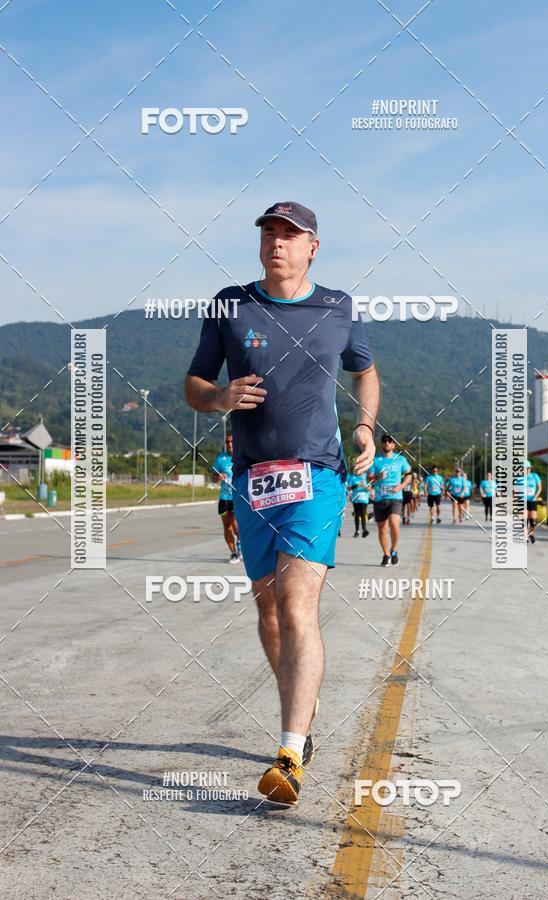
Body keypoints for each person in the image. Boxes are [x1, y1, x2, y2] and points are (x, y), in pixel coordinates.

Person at [185, 201, 379, 807]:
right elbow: (193, 385)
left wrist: (365, 426)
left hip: (316, 475)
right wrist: (219, 398)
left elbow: (366, 372)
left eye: (290, 235)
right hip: (253, 480)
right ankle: (302, 708)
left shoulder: (338, 306)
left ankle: (289, 753)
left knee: (296, 603)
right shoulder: (230, 304)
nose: (276, 242)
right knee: (269, 613)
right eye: (269, 232)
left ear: (312, 247)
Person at [369, 434, 412, 566]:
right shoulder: (376, 460)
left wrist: (401, 486)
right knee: (382, 528)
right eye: (384, 441)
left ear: (393, 445)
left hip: (395, 497)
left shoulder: (400, 459)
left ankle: (394, 549)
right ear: (381, 444)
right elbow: (369, 479)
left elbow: (409, 475)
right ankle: (386, 554)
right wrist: (378, 477)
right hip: (380, 498)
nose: (387, 443)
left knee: (394, 523)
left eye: (390, 441)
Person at [212, 433, 242, 563]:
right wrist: (218, 477)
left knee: (236, 526)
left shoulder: (241, 457)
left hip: (237, 497)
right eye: (227, 442)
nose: (230, 444)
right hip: (224, 498)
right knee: (227, 528)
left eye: (232, 441)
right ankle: (234, 553)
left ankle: (240, 545)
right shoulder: (220, 459)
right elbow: (213, 478)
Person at [346, 465, 370, 537]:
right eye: (356, 470)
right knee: (357, 514)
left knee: (363, 513)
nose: (358, 471)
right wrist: (355, 486)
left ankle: (364, 530)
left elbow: (369, 488)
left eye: (359, 470)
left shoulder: (365, 476)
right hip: (355, 498)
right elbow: (349, 488)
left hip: (364, 498)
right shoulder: (353, 477)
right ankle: (357, 531)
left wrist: (364, 486)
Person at [522, 461, 542, 543]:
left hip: (533, 500)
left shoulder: (534, 476)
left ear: (530, 468)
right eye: (525, 468)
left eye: (528, 468)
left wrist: (536, 495)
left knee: (533, 522)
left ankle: (532, 534)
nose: (526, 470)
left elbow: (539, 487)